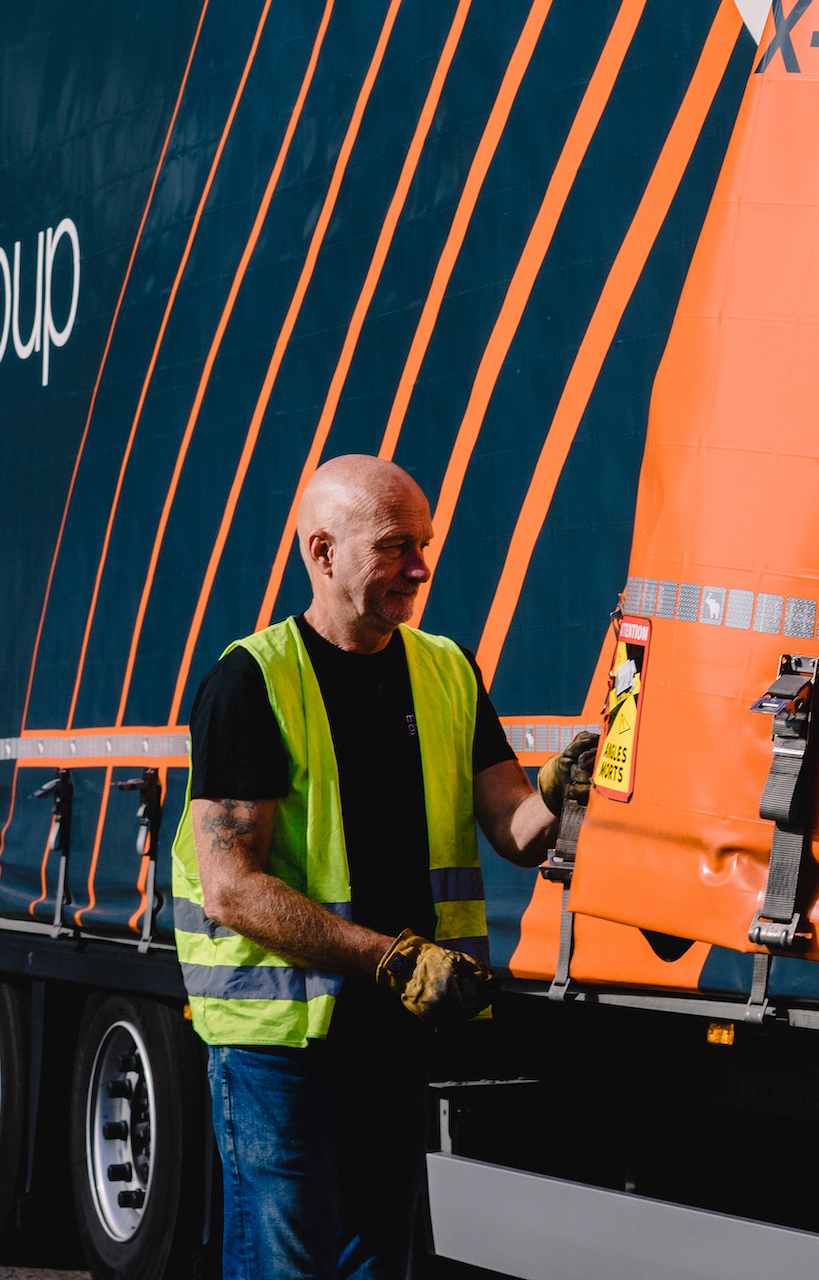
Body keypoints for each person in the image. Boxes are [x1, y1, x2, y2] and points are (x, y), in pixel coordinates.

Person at [173, 453, 597, 1279]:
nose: (421, 567)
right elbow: (230, 889)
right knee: (289, 1267)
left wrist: (561, 790)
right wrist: (392, 960)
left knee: (379, 1265)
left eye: (424, 544)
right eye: (396, 546)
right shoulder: (252, 681)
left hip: (394, 1034)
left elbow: (514, 827)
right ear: (322, 552)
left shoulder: (447, 669)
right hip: (282, 1046)